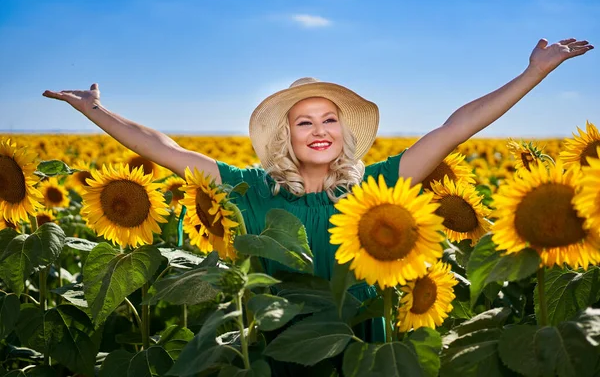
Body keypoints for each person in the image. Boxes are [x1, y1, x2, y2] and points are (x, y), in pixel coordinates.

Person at [43, 37, 592, 343]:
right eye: (304, 122)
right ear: (285, 135)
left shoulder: (378, 187)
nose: (320, 130)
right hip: (277, 351)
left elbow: (454, 128)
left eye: (329, 120)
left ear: (344, 132)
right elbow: (164, 149)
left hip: (360, 349)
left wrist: (533, 73)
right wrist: (97, 112)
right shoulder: (248, 190)